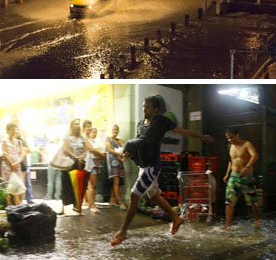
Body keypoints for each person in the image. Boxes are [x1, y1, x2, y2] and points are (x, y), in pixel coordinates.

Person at [110, 95, 213, 246]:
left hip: (152, 166)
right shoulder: (140, 124)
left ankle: (123, 232)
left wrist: (202, 137)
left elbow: (182, 131)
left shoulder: (161, 121)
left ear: (156, 109)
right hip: (143, 166)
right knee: (153, 195)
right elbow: (138, 144)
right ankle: (176, 218)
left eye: (148, 106)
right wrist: (127, 154)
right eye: (144, 106)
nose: (145, 109)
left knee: (134, 195)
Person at [223, 127, 261, 230]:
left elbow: (255, 156)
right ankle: (228, 225)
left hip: (247, 177)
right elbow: (230, 161)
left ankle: (257, 220)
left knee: (252, 201)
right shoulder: (229, 146)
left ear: (237, 135)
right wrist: (227, 174)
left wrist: (247, 167)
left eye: (232, 137)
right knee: (229, 200)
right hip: (234, 176)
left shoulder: (247, 144)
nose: (230, 140)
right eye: (228, 138)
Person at [61, 119, 90, 215]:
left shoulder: (83, 137)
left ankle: (78, 207)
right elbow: (65, 149)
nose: (78, 126)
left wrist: (80, 158)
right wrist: (75, 157)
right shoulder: (67, 136)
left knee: (80, 185)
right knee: (66, 185)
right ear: (72, 126)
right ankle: (63, 208)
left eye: (79, 124)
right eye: (75, 124)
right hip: (68, 163)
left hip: (80, 163)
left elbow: (86, 150)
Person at [82, 123, 105, 214]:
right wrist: (101, 154)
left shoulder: (91, 139)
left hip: (94, 163)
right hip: (88, 164)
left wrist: (100, 155)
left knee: (92, 185)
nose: (89, 128)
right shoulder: (84, 138)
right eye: (88, 126)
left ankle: (90, 203)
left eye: (90, 126)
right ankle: (92, 205)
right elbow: (91, 149)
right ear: (84, 128)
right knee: (91, 185)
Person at [1, 123, 26, 206]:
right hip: (7, 166)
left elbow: (22, 153)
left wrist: (16, 163)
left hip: (17, 166)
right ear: (7, 131)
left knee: (18, 186)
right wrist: (11, 163)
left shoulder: (19, 142)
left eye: (15, 129)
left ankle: (17, 206)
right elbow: (4, 153)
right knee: (7, 186)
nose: (14, 131)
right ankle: (9, 206)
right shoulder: (4, 142)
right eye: (12, 130)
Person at [104, 125, 128, 209]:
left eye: (116, 129)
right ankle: (120, 202)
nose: (115, 131)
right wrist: (119, 154)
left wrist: (124, 156)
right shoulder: (108, 139)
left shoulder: (120, 140)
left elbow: (126, 149)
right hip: (112, 163)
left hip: (120, 163)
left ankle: (112, 200)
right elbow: (109, 150)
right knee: (116, 181)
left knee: (117, 182)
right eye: (113, 129)